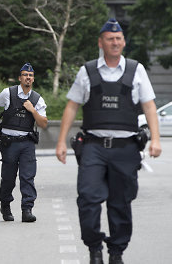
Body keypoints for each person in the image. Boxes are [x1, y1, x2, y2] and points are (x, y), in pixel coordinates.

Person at [55, 18, 162, 264]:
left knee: (121, 204)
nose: (115, 42)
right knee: (88, 199)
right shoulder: (88, 71)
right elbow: (72, 107)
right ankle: (94, 247)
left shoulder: (137, 71)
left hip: (126, 150)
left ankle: (116, 253)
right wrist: (61, 142)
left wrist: (155, 139)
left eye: (119, 39)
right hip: (93, 147)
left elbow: (149, 106)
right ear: (101, 42)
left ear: (124, 42)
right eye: (110, 39)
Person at [0, 63, 48, 222]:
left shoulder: (37, 99)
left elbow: (43, 124)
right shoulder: (8, 93)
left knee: (28, 177)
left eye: (31, 75)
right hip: (9, 143)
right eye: (25, 75)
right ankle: (5, 206)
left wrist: (32, 110)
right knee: (8, 178)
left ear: (33, 79)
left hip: (27, 143)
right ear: (20, 78)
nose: (28, 77)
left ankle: (27, 209)